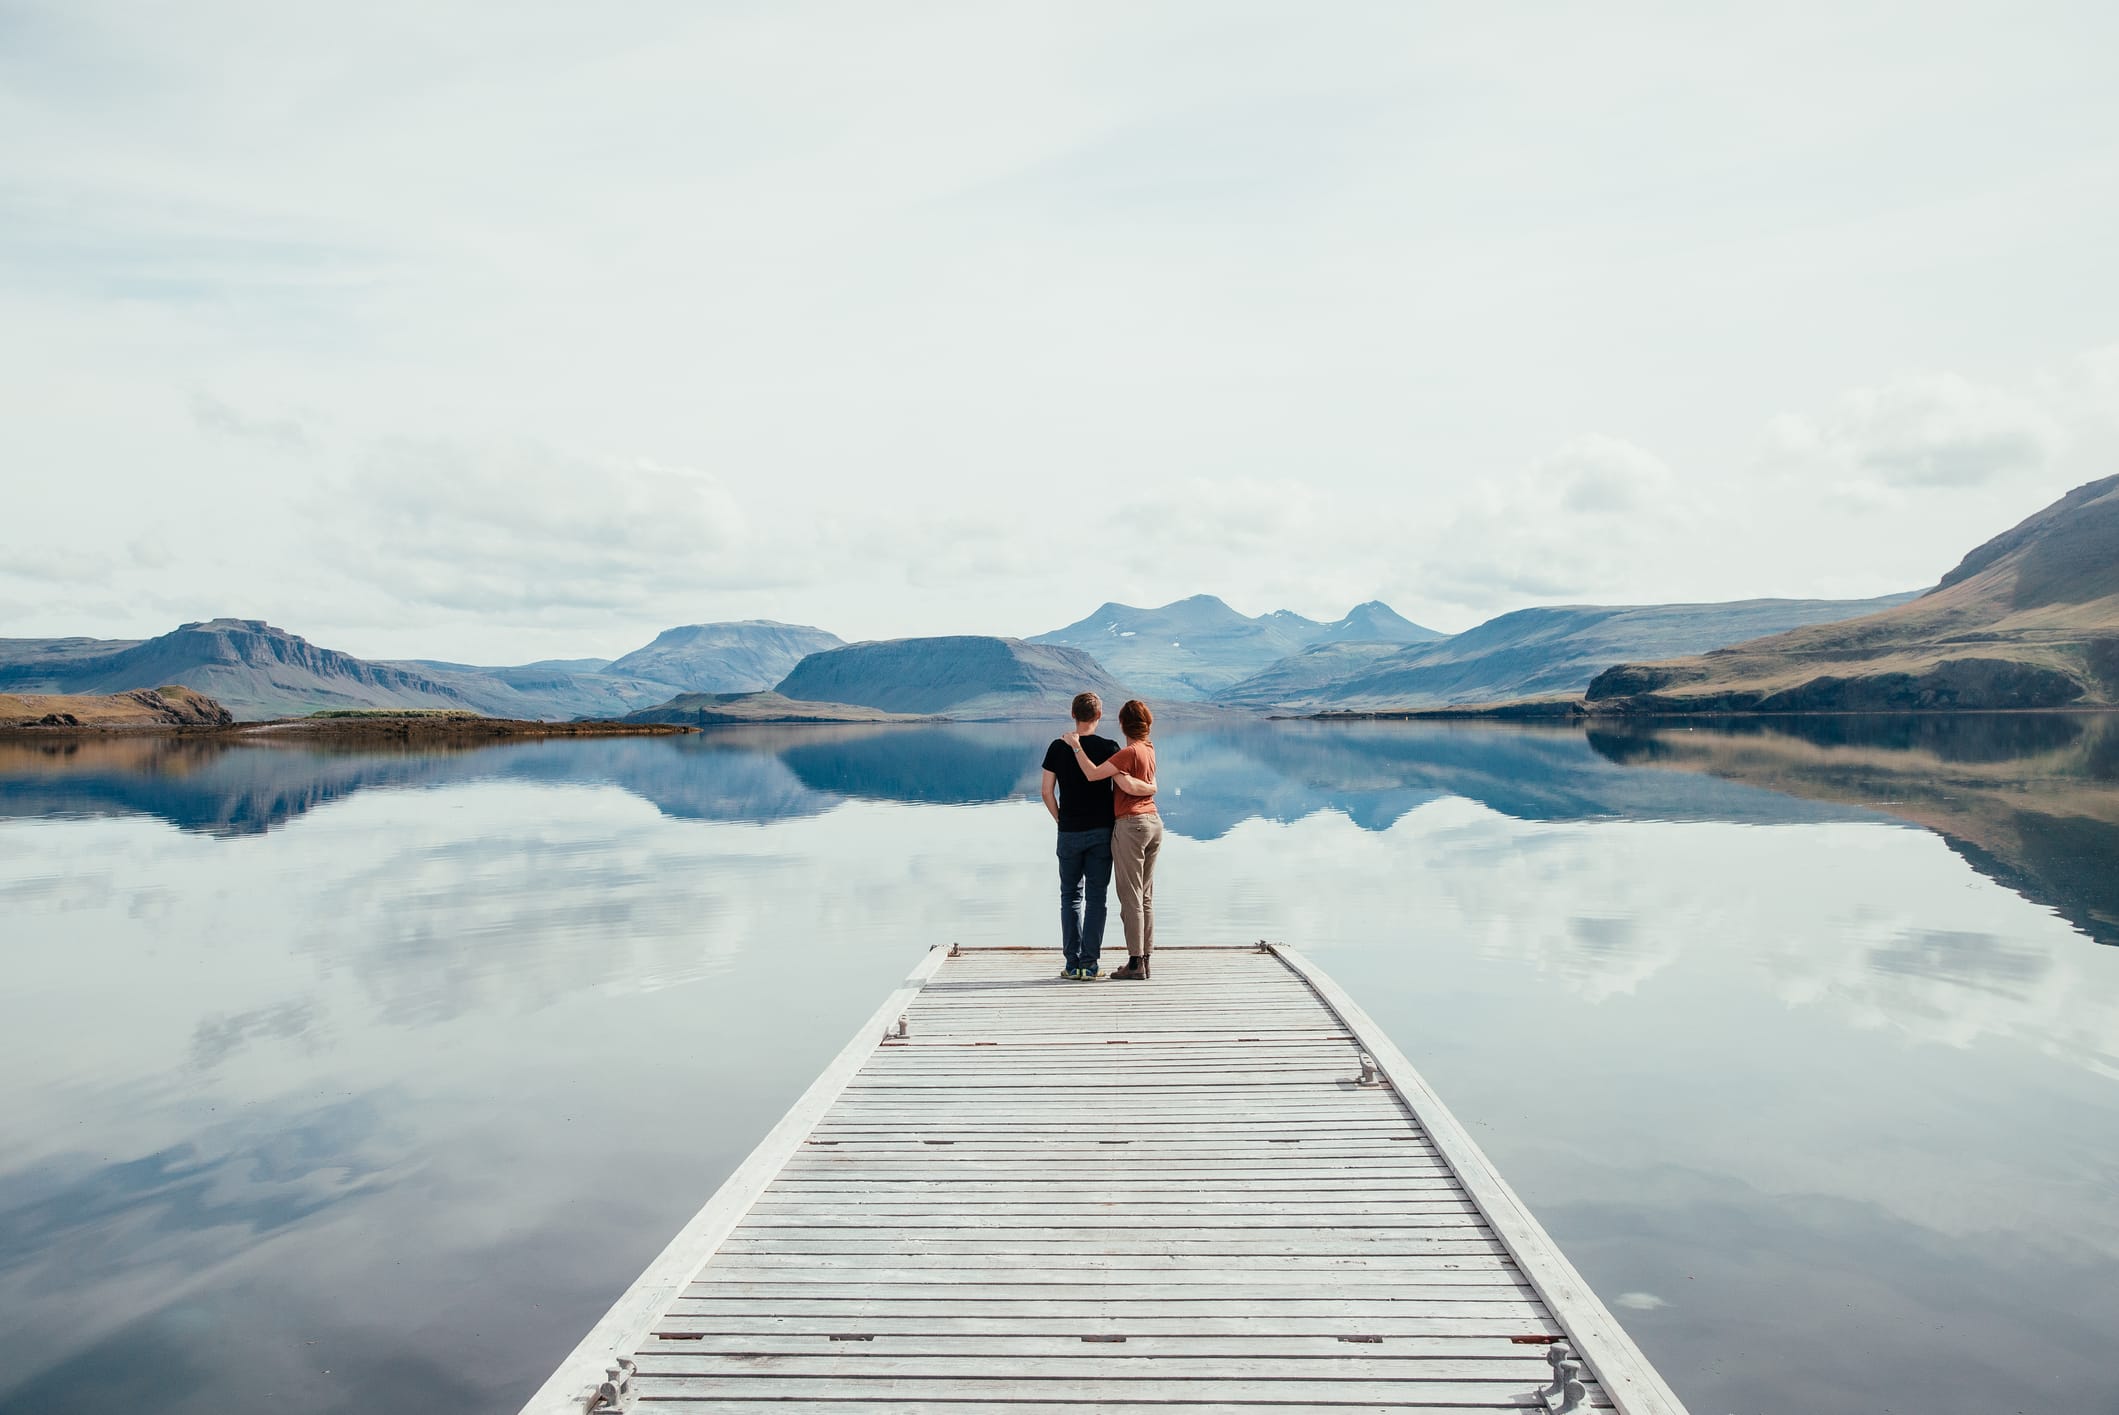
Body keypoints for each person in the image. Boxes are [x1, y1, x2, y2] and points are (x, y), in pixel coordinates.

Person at [1040, 693, 1154, 980]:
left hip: (1068, 832)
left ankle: (1071, 964)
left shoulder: (1057, 747)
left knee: (1070, 897)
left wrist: (1060, 818)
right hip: (1102, 832)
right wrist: (1154, 788)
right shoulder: (1109, 747)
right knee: (1096, 898)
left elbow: (1046, 791)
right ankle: (1089, 964)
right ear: (1100, 716)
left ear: (1072, 714)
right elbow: (1127, 783)